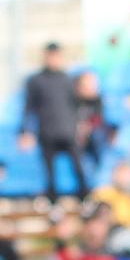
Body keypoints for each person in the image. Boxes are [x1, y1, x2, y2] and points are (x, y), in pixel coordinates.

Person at [21, 42, 85, 199]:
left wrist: (80, 126)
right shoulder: (36, 81)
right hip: (47, 132)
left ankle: (84, 197)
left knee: (78, 167)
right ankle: (52, 201)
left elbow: (77, 106)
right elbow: (29, 108)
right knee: (50, 172)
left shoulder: (67, 80)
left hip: (68, 131)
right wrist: (25, 132)